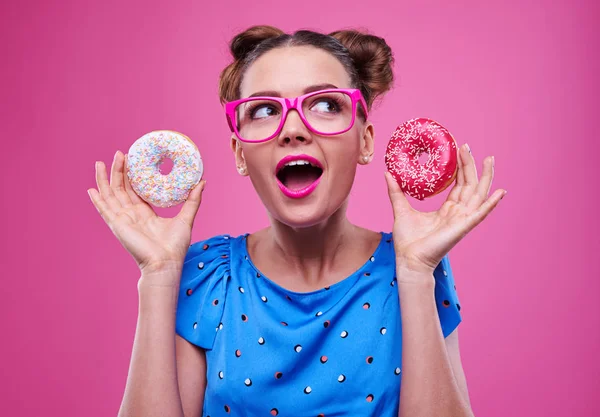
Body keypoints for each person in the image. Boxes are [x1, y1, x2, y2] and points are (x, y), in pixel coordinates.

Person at [88, 25, 506, 417]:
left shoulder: (415, 269)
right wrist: (158, 276)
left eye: (325, 105)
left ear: (365, 140)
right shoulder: (205, 276)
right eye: (265, 110)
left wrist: (416, 274)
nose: (292, 129)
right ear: (238, 153)